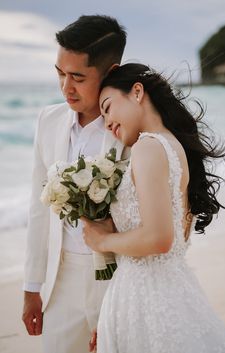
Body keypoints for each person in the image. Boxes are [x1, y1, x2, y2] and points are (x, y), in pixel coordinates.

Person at [82, 63, 225, 353]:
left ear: (137, 92)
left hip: (148, 301)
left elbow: (159, 238)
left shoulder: (148, 147)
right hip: (163, 291)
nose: (106, 123)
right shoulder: (170, 146)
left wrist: (101, 239)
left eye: (107, 108)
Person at [22, 15, 127, 353]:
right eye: (60, 73)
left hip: (117, 278)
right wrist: (31, 286)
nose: (66, 87)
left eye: (77, 77)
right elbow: (38, 210)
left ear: (110, 73)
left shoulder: (130, 130)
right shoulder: (48, 120)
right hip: (61, 277)